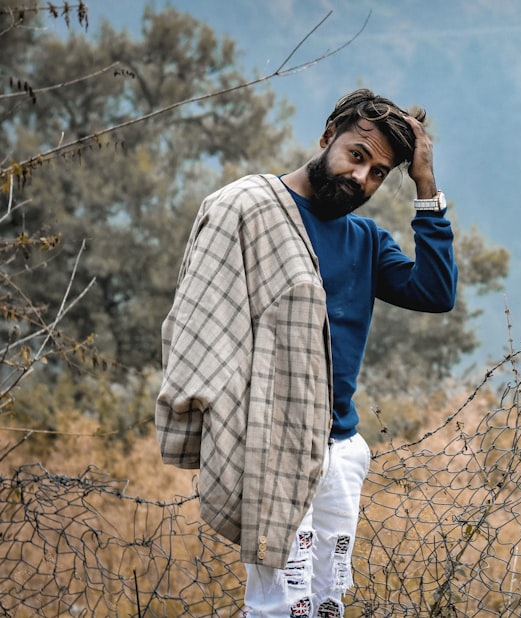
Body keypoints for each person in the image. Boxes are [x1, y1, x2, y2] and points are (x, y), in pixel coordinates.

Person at [155, 89, 458, 617]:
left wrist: (426, 187)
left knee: (326, 604)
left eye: (379, 173)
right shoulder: (248, 208)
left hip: (340, 447)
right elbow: (201, 324)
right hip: (272, 446)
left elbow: (435, 293)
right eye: (357, 156)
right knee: (278, 607)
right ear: (326, 137)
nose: (361, 179)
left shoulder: (365, 238)